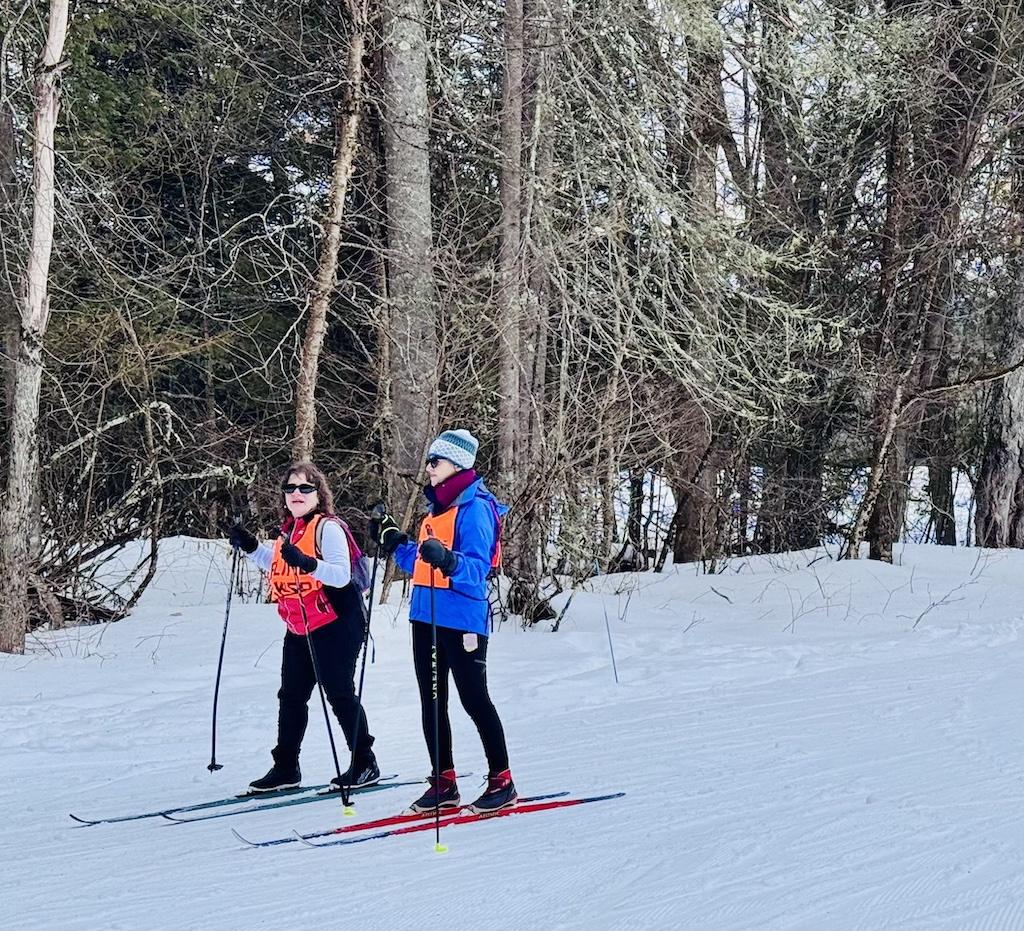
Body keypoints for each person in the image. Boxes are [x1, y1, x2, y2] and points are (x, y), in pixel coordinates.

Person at [374, 428, 515, 814]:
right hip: (426, 616)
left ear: (457, 464)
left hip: (462, 620)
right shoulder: (436, 510)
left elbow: (478, 567)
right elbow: (420, 562)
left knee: (474, 699)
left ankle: (502, 780)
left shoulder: (476, 509)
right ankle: (444, 781)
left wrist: (449, 560)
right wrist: (395, 544)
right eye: (430, 461)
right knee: (432, 701)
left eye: (435, 462)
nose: (429, 468)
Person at [229, 462, 379, 794]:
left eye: (305, 488)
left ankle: (365, 762)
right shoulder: (289, 530)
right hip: (300, 624)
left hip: (337, 622)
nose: (297, 494)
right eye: (291, 488)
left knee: (338, 692)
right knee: (291, 696)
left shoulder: (329, 528)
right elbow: (279, 564)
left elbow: (340, 575)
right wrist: (251, 546)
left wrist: (308, 564)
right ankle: (286, 768)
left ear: (318, 494)